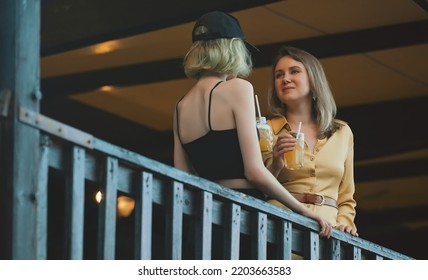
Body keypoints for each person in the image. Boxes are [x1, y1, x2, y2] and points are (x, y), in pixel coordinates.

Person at [173, 11, 332, 242]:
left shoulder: (180, 107)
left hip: (202, 219)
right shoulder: (238, 88)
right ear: (233, 48)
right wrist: (304, 211)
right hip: (241, 215)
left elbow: (182, 179)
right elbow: (254, 172)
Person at [263, 46, 358, 236]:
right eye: (278, 75)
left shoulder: (342, 132)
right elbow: (257, 184)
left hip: (330, 232)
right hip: (280, 226)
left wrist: (345, 223)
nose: (285, 79)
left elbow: (346, 196)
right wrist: (276, 163)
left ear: (314, 81)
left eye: (294, 71)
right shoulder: (266, 129)